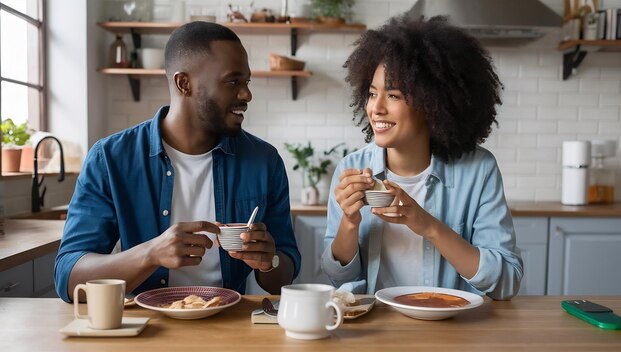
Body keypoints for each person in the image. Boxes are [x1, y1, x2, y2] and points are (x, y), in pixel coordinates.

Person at [54, 22, 300, 302]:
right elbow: (68, 276)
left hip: (229, 328)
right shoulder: (110, 159)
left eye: (247, 82)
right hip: (144, 330)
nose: (246, 95)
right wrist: (150, 254)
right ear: (184, 83)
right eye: (233, 81)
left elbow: (284, 276)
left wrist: (270, 262)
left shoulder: (264, 161)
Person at [321, 14, 523, 300]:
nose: (375, 108)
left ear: (432, 102)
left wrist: (429, 226)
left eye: (392, 96)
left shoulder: (478, 170)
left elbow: (506, 281)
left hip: (454, 333)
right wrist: (349, 222)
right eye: (371, 93)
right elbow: (339, 279)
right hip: (377, 333)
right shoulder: (352, 168)